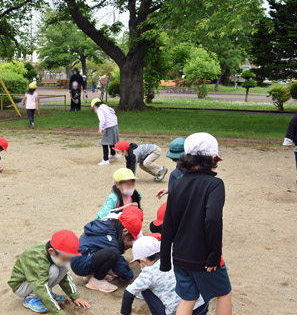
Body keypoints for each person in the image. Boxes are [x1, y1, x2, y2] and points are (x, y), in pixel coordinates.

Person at [160, 133, 232, 315]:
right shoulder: (215, 184)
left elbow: (168, 224)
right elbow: (213, 219)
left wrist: (165, 261)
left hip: (180, 255)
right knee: (223, 293)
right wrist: (214, 256)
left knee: (189, 297)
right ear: (212, 158)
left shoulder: (176, 184)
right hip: (203, 257)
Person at [8, 230, 90, 314]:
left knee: (65, 266)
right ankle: (32, 298)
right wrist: (58, 312)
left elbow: (65, 277)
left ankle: (46, 294)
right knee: (53, 271)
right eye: (66, 257)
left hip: (35, 281)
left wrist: (75, 297)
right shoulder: (39, 258)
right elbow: (41, 285)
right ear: (51, 251)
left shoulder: (54, 254)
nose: (68, 260)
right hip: (21, 286)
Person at [120, 236, 208, 315]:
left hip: (179, 311)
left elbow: (128, 293)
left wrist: (126, 313)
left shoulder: (149, 273)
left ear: (142, 260)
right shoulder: (173, 256)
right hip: (202, 306)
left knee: (145, 288)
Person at [71, 206, 143, 293]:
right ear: (124, 231)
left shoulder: (107, 226)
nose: (130, 242)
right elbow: (119, 264)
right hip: (80, 264)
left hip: (80, 258)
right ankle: (96, 280)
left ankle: (90, 275)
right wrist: (127, 275)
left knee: (110, 252)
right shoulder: (110, 239)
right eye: (130, 238)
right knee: (113, 253)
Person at [91, 98, 121, 166]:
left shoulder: (100, 109)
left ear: (95, 106)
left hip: (109, 126)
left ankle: (105, 160)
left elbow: (102, 120)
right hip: (114, 125)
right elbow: (114, 113)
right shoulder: (106, 106)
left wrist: (100, 129)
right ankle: (113, 154)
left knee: (104, 143)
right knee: (111, 141)